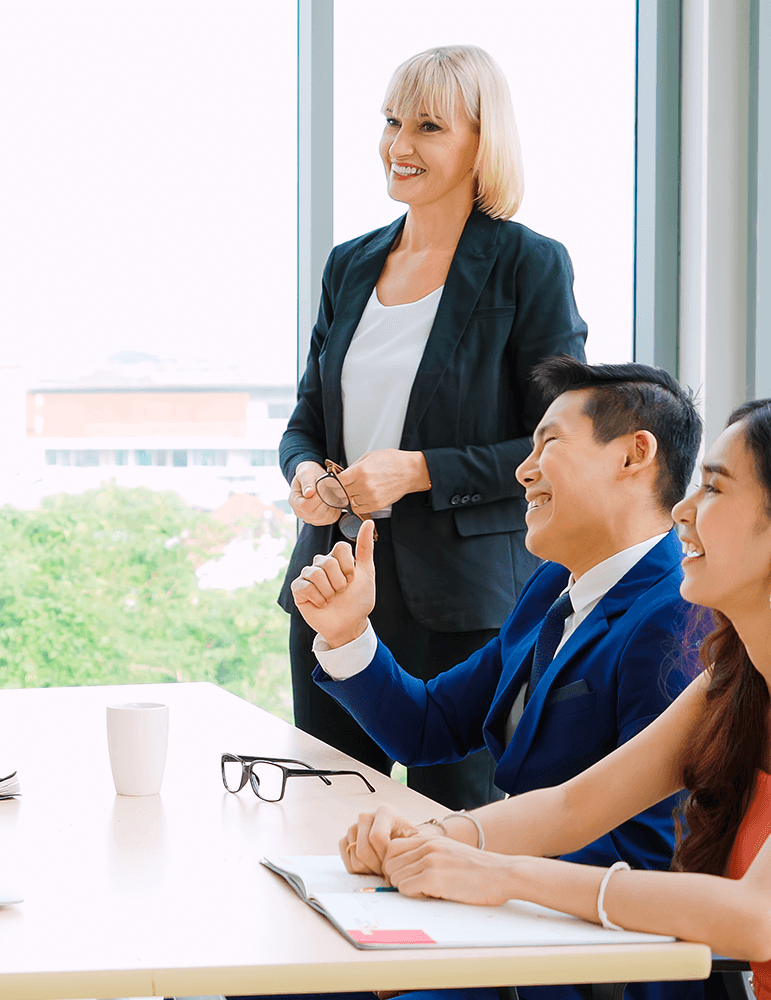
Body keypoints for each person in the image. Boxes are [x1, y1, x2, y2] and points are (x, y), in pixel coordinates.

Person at [284, 358, 702, 1000]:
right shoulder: (550, 591)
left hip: (576, 960)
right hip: (499, 917)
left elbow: (650, 857)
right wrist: (347, 635)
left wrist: (462, 870)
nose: (523, 469)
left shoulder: (677, 615)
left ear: (633, 455)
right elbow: (429, 728)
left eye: (550, 442)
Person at [278, 45, 587, 809]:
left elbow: (557, 442)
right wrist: (308, 474)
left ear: (480, 142)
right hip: (336, 583)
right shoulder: (350, 266)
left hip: (462, 608)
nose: (399, 146)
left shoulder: (528, 266)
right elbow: (306, 421)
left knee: (453, 830)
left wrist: (418, 471)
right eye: (391, 121)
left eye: (427, 126)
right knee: (327, 816)